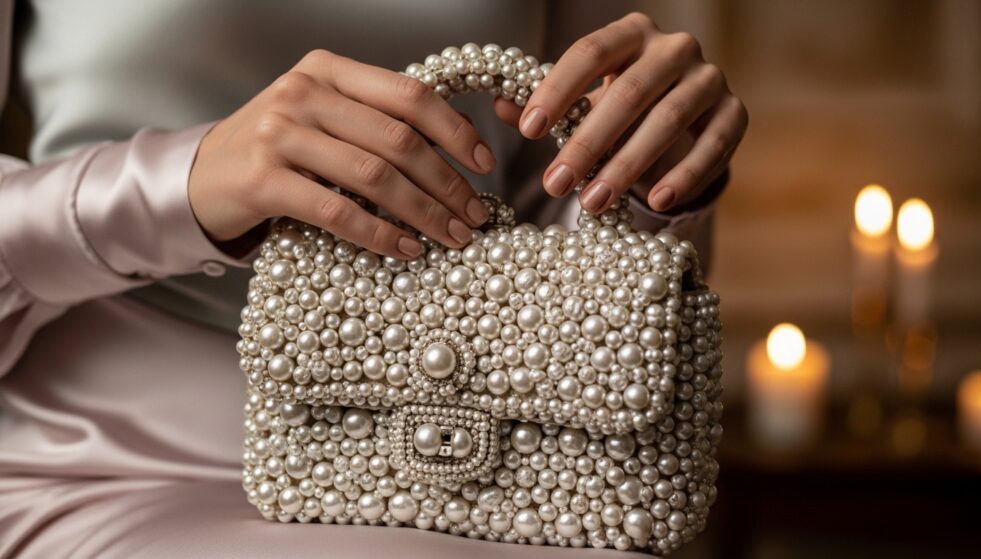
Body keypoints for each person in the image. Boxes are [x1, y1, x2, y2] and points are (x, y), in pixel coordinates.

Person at [0, 1, 746, 557]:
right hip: (105, 462)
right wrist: (174, 187)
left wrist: (649, 176)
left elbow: (547, 212)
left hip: (531, 472)